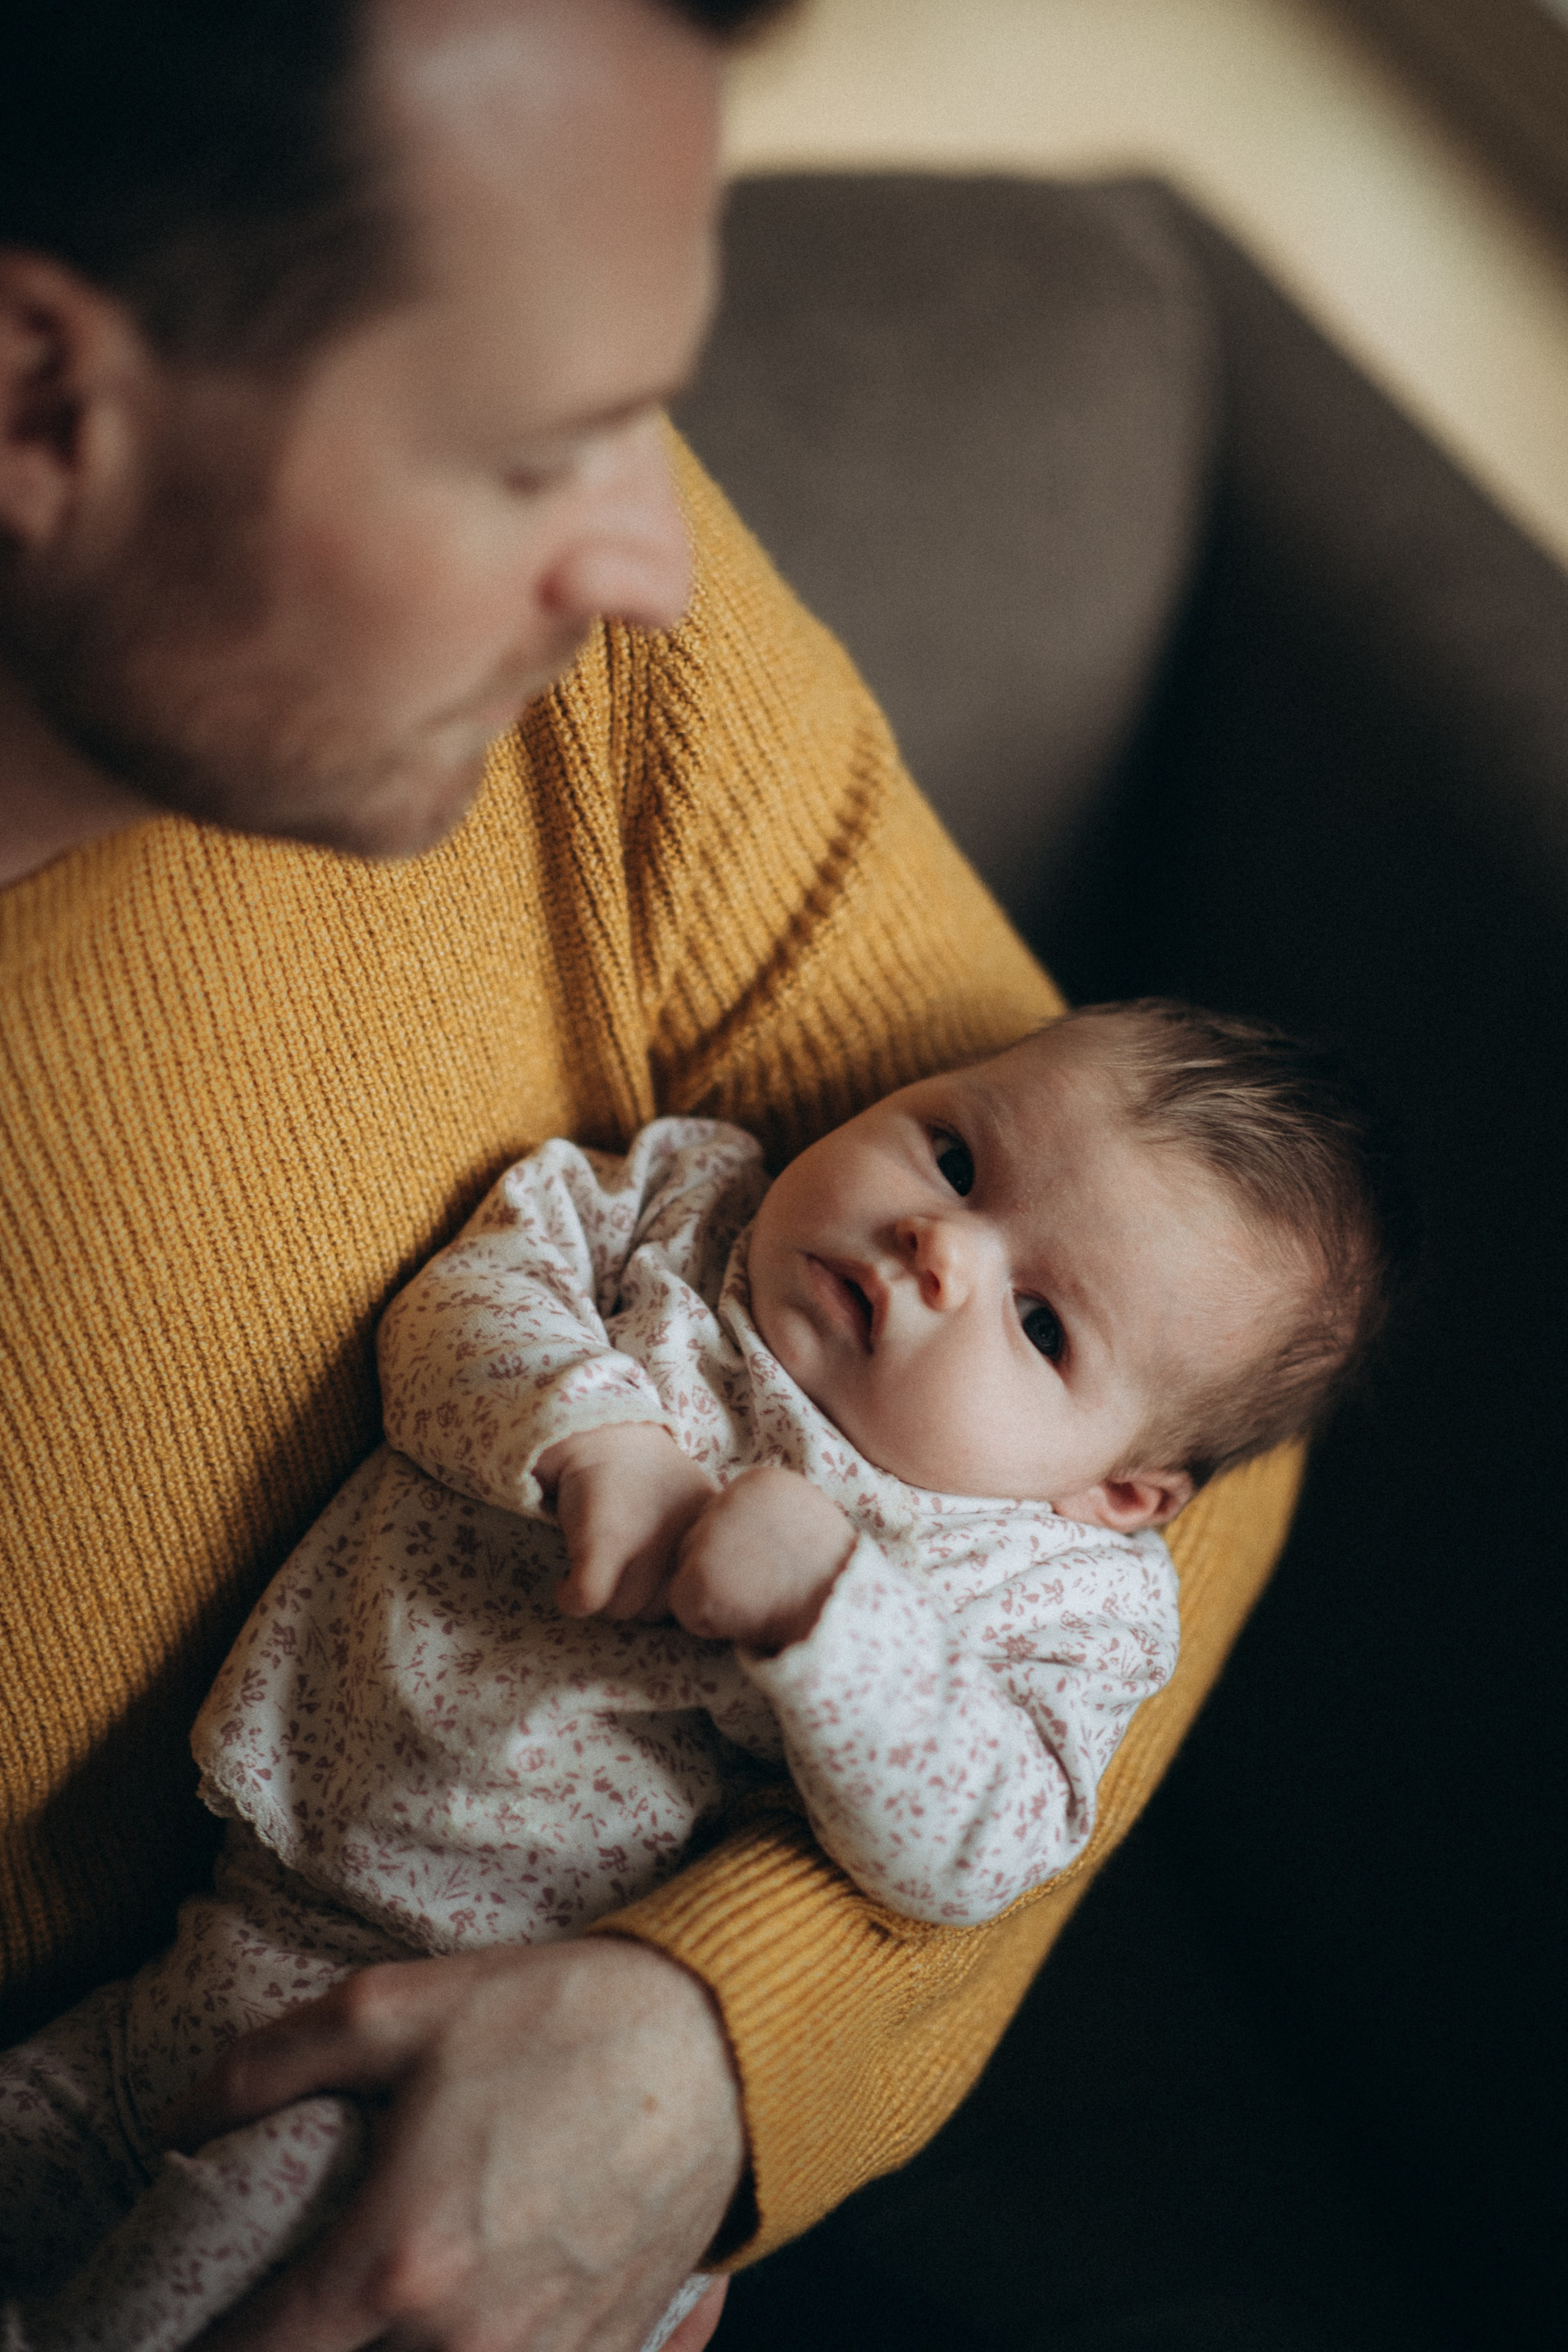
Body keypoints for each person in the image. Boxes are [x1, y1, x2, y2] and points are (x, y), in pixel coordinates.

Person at [0, 3, 1306, 2346]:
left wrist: (705, 2039)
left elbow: (1210, 1420)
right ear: (36, 406)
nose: (655, 562)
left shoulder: (582, 686)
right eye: (540, 455)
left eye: (652, 421)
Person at [0, 1001, 1400, 2352]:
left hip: (456, 2083)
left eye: (1040, 1324)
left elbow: (994, 1842)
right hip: (220, 1934)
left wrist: (830, 1613)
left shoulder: (1049, 1587)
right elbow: (463, 1304)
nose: (938, 1246)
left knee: (191, 2280)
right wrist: (592, 1435)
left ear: (1120, 1492)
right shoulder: (688, 1198)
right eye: (954, 1156)